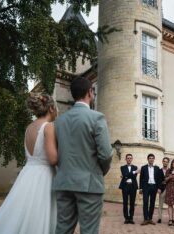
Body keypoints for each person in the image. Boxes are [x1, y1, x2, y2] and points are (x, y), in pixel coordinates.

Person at [0, 93, 58, 234]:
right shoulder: (49, 127)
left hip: (28, 174)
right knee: (39, 212)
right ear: (51, 109)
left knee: (21, 211)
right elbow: (52, 159)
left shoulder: (29, 128)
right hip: (44, 176)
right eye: (56, 108)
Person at [53, 77, 113, 234]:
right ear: (90, 92)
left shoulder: (59, 121)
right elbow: (106, 154)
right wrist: (100, 171)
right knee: (89, 231)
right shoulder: (96, 117)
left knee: (62, 229)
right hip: (89, 183)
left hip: (64, 182)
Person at [139, 153, 163, 225]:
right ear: (148, 159)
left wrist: (159, 187)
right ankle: (145, 219)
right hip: (146, 187)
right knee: (145, 202)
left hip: (154, 187)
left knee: (152, 203)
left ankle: (150, 218)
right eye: (150, 158)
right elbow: (141, 178)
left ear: (154, 159)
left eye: (152, 158)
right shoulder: (143, 168)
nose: (151, 159)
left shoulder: (157, 168)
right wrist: (140, 188)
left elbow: (159, 179)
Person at [119, 154, 138, 224]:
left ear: (132, 159)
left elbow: (133, 177)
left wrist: (126, 176)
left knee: (132, 203)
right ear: (126, 159)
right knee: (125, 202)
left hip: (133, 186)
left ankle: (131, 218)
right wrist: (133, 172)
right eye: (128, 158)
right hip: (125, 186)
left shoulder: (135, 167)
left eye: (130, 158)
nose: (129, 159)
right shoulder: (122, 167)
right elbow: (125, 174)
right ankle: (126, 218)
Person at [157, 157, 170, 223]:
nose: (165, 162)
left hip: (169, 188)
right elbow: (158, 180)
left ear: (168, 163)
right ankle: (159, 218)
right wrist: (158, 188)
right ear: (162, 162)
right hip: (162, 189)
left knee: (170, 205)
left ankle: (171, 218)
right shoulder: (159, 170)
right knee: (160, 204)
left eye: (166, 161)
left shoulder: (170, 170)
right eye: (164, 161)